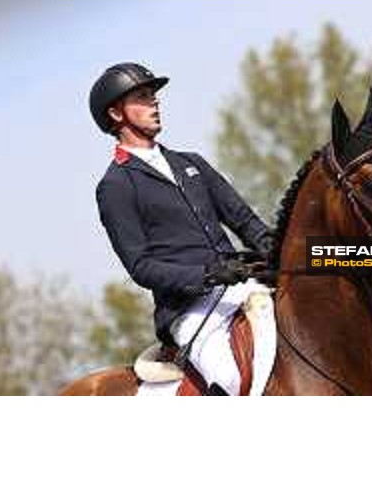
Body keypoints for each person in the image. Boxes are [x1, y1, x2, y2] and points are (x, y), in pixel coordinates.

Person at [89, 62, 274, 395]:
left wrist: (279, 252)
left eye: (154, 96)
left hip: (244, 286)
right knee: (228, 377)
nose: (155, 103)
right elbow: (141, 266)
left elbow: (245, 222)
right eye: (143, 97)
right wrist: (208, 274)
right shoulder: (116, 185)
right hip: (191, 309)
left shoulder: (192, 163)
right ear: (117, 114)